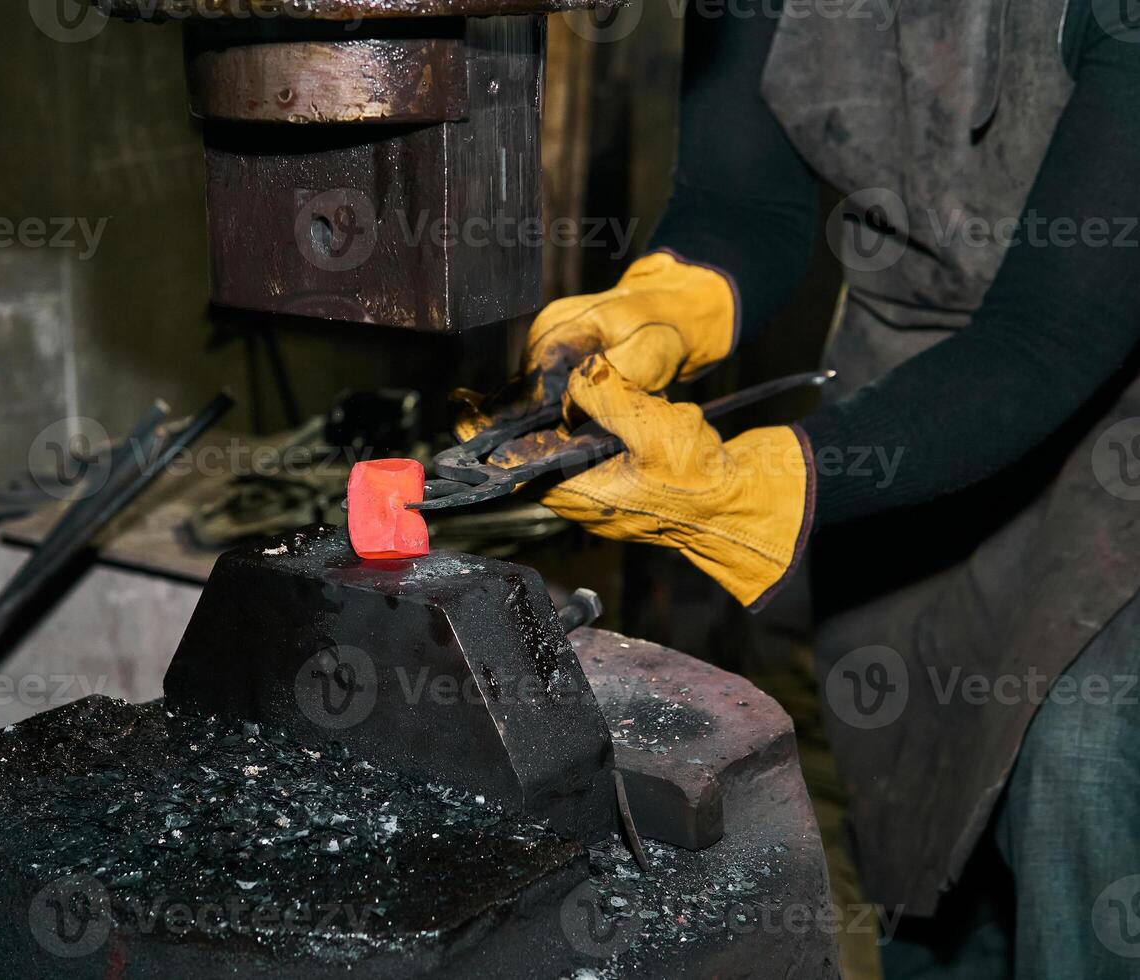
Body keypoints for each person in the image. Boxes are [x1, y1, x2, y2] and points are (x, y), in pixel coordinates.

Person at [463, 0, 1140, 975]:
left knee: (1080, 764)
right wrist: (661, 307)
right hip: (900, 406)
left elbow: (1053, 334)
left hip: (1113, 396)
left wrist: (753, 491)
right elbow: (743, 205)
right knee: (927, 816)